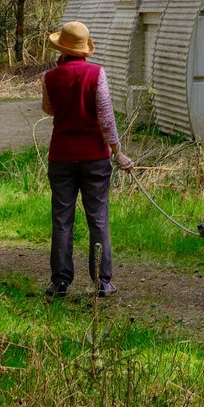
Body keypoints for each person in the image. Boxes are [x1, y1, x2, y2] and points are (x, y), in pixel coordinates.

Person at [41, 20, 132, 297]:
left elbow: (49, 109)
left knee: (62, 220)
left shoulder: (49, 77)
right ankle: (103, 281)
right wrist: (117, 152)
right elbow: (106, 117)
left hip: (62, 157)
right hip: (94, 158)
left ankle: (60, 282)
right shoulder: (96, 74)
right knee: (98, 219)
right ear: (84, 50)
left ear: (62, 50)